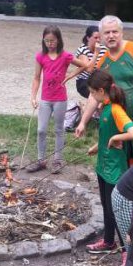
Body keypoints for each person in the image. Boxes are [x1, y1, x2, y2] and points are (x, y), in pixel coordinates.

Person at [75, 15, 133, 162]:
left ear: (121, 32)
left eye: (114, 32)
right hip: (117, 121)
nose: (111, 36)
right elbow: (94, 94)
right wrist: (83, 122)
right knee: (120, 162)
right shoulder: (102, 62)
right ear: (101, 37)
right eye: (106, 33)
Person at [84, 70, 133, 255]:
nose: (91, 96)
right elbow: (107, 134)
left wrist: (117, 136)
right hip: (103, 166)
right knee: (106, 206)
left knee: (116, 211)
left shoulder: (116, 109)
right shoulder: (104, 107)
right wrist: (97, 146)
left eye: (92, 92)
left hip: (115, 170)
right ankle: (109, 242)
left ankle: (126, 251)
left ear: (101, 90)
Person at [28, 25, 91, 173]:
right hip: (45, 99)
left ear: (59, 40)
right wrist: (33, 97)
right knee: (41, 130)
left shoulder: (65, 56)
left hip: (60, 99)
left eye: (53, 41)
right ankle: (41, 160)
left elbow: (85, 65)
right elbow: (37, 78)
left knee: (58, 129)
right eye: (47, 41)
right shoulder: (40, 56)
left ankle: (57, 160)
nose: (50, 44)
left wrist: (70, 75)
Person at [65, 25, 107, 98]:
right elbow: (89, 69)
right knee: (98, 94)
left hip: (99, 80)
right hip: (85, 81)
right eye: (95, 38)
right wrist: (96, 53)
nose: (98, 40)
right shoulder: (83, 50)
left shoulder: (104, 49)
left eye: (99, 38)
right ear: (88, 38)